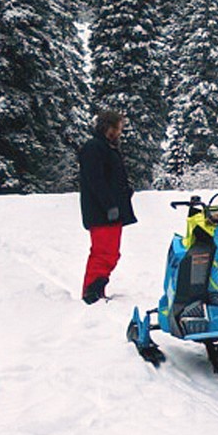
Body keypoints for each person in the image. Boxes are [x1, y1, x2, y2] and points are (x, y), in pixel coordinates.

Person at [78, 110, 137, 304]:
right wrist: (110, 204)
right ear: (108, 127)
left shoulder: (107, 148)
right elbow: (96, 180)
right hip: (101, 212)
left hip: (111, 211)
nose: (120, 132)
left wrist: (125, 192)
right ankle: (91, 293)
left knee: (110, 253)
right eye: (118, 128)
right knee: (103, 252)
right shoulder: (94, 148)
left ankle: (98, 289)